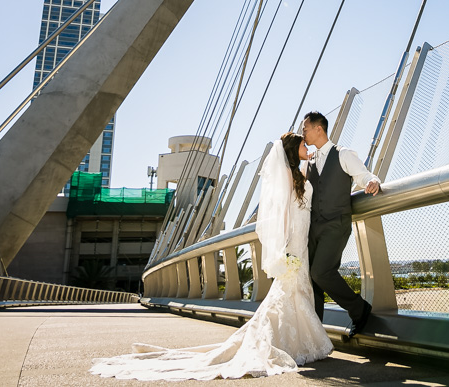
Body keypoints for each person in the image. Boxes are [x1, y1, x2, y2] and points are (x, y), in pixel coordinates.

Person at [90, 133, 333, 381]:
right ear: (293, 150)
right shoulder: (287, 178)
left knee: (294, 290)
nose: (307, 146)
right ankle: (291, 343)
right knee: (289, 290)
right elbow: (282, 214)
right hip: (294, 242)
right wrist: (283, 249)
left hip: (303, 240)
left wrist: (309, 162)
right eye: (303, 144)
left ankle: (298, 341)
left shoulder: (297, 173)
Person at [300, 110, 380, 338]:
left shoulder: (343, 154)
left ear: (319, 129)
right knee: (310, 277)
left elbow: (364, 176)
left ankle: (359, 309)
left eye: (305, 128)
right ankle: (315, 333)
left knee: (321, 273)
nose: (303, 132)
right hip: (313, 227)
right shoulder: (310, 161)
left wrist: (373, 182)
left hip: (337, 223)